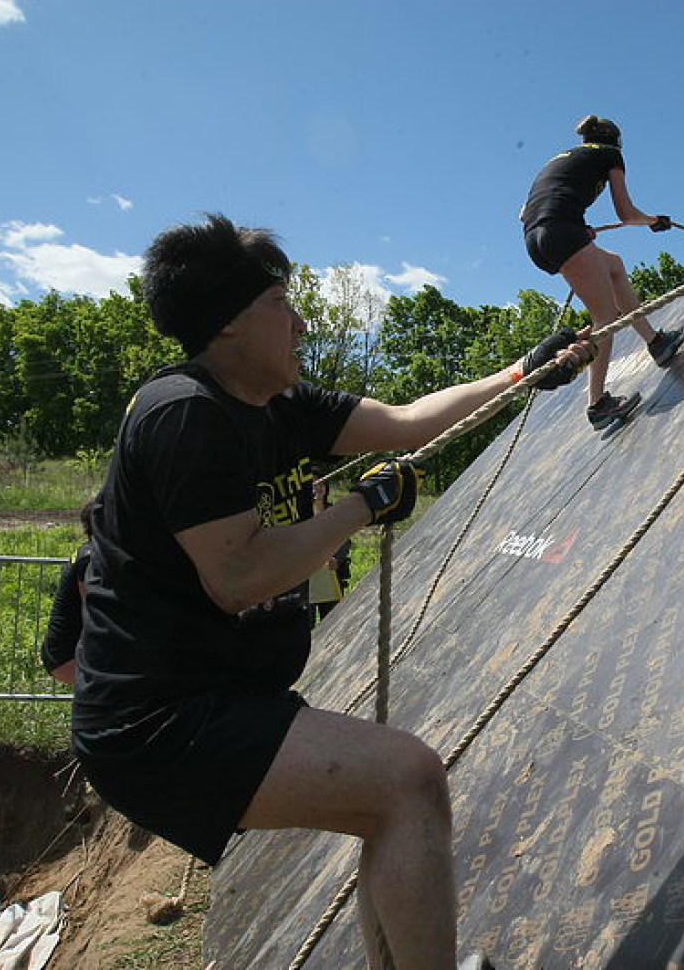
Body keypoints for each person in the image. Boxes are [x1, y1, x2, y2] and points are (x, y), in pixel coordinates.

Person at [72, 213, 591, 970]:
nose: (302, 321)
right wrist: (361, 508)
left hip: (212, 695)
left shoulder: (277, 407)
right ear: (227, 327)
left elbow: (408, 423)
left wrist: (522, 373)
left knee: (393, 801)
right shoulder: (187, 416)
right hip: (155, 720)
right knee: (407, 779)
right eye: (281, 303)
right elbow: (239, 575)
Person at [521, 114, 684, 430]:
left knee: (613, 265)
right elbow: (625, 213)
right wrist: (653, 221)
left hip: (537, 238)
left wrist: (575, 225)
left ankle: (655, 342)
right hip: (561, 231)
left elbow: (524, 213)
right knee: (605, 318)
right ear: (616, 141)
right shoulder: (609, 154)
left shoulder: (565, 158)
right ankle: (597, 404)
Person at [40, 499, 95, 685]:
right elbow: (94, 609)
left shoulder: (90, 552)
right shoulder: (90, 558)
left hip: (67, 649)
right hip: (66, 653)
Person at [308, 479, 351, 623]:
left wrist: (337, 559)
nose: (317, 488)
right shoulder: (299, 515)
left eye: (320, 484)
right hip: (306, 578)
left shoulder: (334, 512)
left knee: (333, 621)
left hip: (331, 576)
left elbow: (344, 538)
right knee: (307, 624)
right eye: (313, 485)